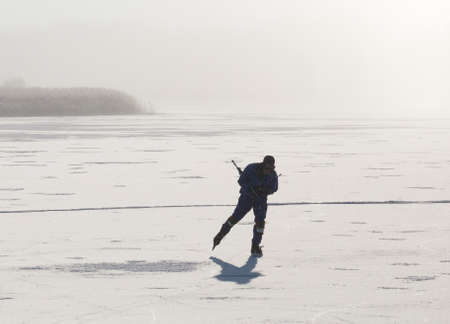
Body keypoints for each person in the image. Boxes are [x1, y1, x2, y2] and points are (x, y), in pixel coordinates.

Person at [212, 155, 278, 257]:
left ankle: (255, 247)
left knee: (260, 224)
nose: (268, 170)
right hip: (246, 198)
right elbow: (241, 181)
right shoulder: (251, 168)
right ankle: (219, 236)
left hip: (260, 201)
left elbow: (274, 188)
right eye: (266, 168)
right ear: (263, 164)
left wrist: (263, 190)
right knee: (235, 218)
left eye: (271, 168)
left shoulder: (273, 175)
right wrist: (250, 188)